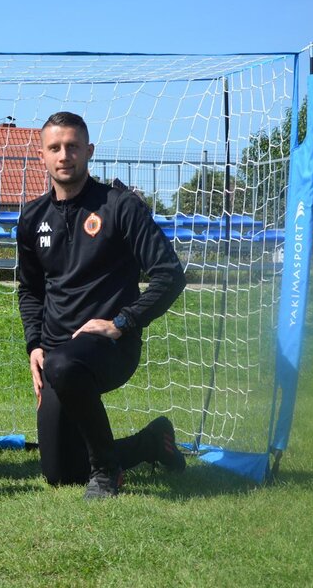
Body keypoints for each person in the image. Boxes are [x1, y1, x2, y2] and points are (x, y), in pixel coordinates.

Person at [17, 111, 188, 500]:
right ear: (42, 155)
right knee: (61, 472)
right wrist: (35, 345)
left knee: (66, 364)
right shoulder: (32, 217)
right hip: (55, 356)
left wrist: (122, 322)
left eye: (73, 146)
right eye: (55, 148)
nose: (64, 155)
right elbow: (30, 290)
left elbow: (169, 275)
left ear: (89, 151)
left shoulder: (120, 206)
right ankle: (151, 442)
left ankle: (106, 471)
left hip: (111, 346)